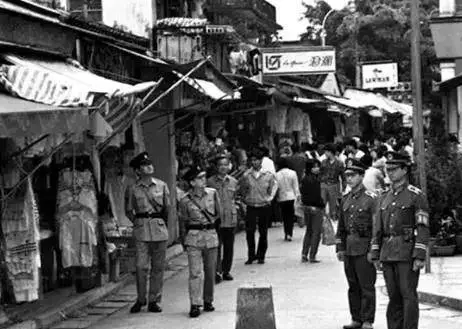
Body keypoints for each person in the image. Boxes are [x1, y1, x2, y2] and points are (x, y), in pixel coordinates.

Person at [369, 151, 430, 329]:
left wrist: (419, 254)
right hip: (387, 253)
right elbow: (377, 228)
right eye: (387, 169)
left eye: (394, 169)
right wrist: (375, 252)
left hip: (406, 252)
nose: (390, 172)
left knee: (408, 295)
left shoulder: (415, 195)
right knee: (393, 296)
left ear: (404, 170)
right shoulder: (383, 196)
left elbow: (423, 226)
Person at [125, 152, 170, 314]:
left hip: (159, 229)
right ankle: (141, 298)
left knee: (158, 267)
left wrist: (161, 224)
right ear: (138, 170)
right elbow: (129, 210)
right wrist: (139, 222)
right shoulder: (132, 189)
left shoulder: (162, 185)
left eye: (150, 164)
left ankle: (154, 300)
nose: (149, 166)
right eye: (144, 165)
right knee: (141, 266)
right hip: (142, 230)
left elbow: (167, 209)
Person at [336, 159, 377, 329]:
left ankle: (367, 320)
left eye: (353, 175)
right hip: (350, 247)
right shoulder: (346, 198)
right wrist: (340, 247)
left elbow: (376, 227)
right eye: (347, 176)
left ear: (361, 176)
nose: (349, 179)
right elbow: (341, 225)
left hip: (364, 246)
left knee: (366, 286)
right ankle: (356, 318)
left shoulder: (371, 199)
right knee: (353, 286)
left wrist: (373, 250)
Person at [179, 166, 222, 318]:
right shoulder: (185, 200)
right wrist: (184, 240)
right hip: (194, 237)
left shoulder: (212, 193)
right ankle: (195, 304)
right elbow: (183, 219)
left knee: (210, 271)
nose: (204, 180)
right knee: (195, 272)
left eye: (204, 177)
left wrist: (212, 228)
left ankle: (208, 300)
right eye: (200, 178)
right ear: (192, 182)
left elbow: (219, 213)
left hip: (210, 235)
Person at [238, 147, 278, 265]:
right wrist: (245, 200)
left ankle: (261, 255)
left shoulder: (268, 175)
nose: (255, 162)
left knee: (263, 232)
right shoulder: (246, 175)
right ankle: (251, 255)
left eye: (257, 160)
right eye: (253, 160)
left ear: (261, 161)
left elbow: (273, 187)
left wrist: (269, 198)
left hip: (264, 205)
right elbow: (243, 189)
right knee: (250, 232)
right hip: (250, 205)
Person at [207, 155, 238, 282]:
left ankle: (226, 271)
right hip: (216, 219)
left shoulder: (233, 181)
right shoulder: (210, 182)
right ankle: (217, 271)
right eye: (221, 165)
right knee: (216, 246)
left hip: (230, 218)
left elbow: (235, 198)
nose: (223, 167)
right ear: (216, 167)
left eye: (226, 164)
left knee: (229, 247)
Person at [300, 158, 325, 263]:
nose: (317, 168)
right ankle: (312, 255)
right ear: (310, 168)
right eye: (315, 166)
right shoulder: (315, 180)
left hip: (306, 208)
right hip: (316, 208)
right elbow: (317, 197)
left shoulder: (304, 179)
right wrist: (322, 205)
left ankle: (304, 253)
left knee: (309, 231)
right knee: (316, 232)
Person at [275, 157, 300, 241]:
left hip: (281, 197)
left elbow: (276, 188)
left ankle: (286, 232)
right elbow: (296, 187)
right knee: (291, 216)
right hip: (291, 196)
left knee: (285, 216)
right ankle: (290, 233)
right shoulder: (293, 173)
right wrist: (298, 197)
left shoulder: (277, 174)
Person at [320, 143, 344, 222]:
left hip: (334, 185)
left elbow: (343, 177)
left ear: (330, 152)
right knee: (322, 204)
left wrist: (343, 188)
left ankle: (333, 220)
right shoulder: (323, 162)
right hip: (324, 184)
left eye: (326, 151)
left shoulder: (339, 163)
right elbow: (320, 174)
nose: (325, 153)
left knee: (334, 205)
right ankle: (323, 220)